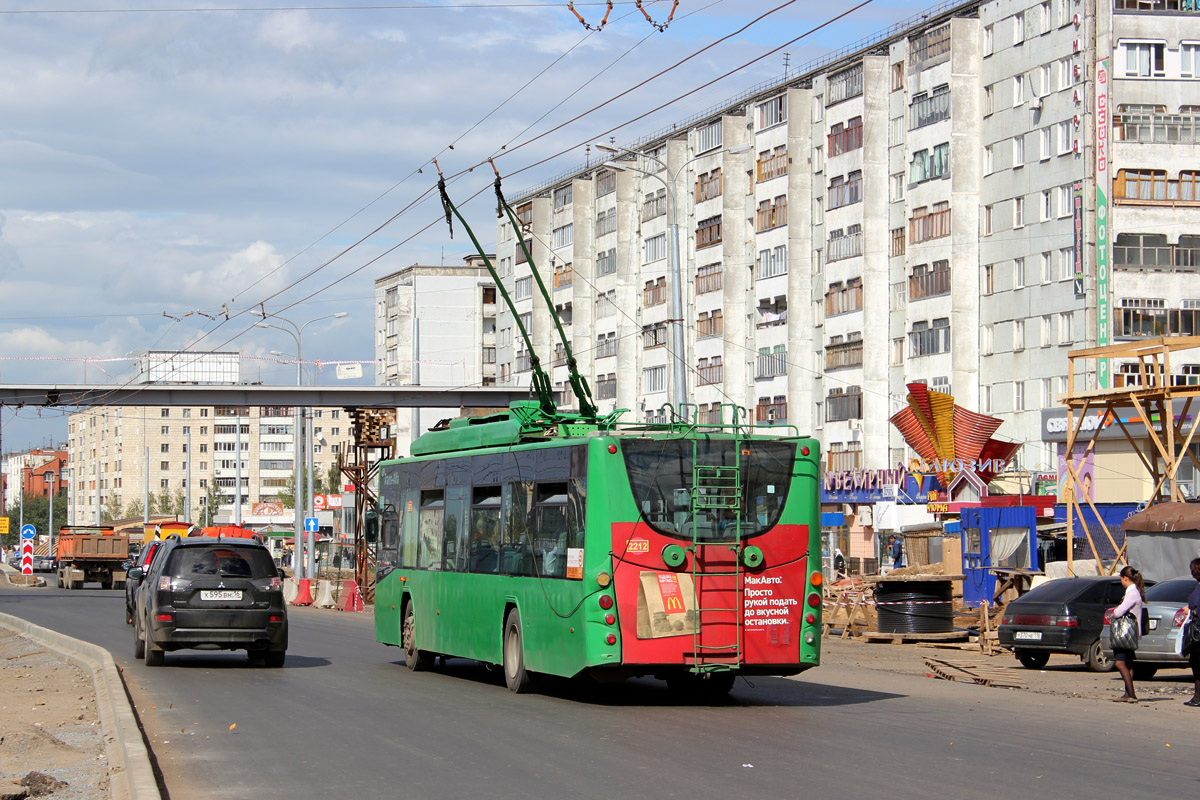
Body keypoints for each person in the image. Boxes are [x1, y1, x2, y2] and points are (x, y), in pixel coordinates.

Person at [1111, 564, 1146, 703]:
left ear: (1125, 578)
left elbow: (1119, 612)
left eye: (1121, 579)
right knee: (1128, 663)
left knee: (1120, 663)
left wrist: (1114, 611)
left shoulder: (1132, 593)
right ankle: (1127, 693)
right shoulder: (1135, 591)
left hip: (1125, 633)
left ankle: (1131, 694)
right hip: (1131, 633)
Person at [1185, 557, 1200, 708]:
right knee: (1195, 663)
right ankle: (1197, 695)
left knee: (1197, 663)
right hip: (1197, 631)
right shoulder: (1198, 587)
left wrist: (1193, 612)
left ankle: (1198, 696)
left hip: (1198, 632)